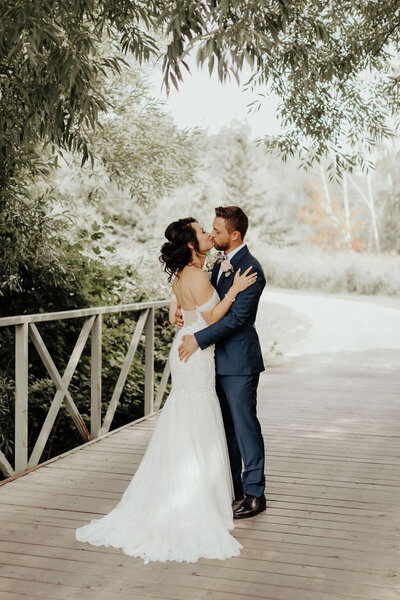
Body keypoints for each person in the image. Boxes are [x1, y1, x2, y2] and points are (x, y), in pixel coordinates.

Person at [75, 217, 257, 564]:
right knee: (198, 418)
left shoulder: (180, 276)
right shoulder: (197, 276)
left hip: (186, 348)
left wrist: (176, 308)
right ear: (191, 244)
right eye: (203, 232)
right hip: (196, 352)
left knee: (186, 418)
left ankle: (185, 490)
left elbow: (182, 305)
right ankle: (195, 498)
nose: (207, 234)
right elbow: (214, 319)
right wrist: (233, 292)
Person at [177, 206, 267, 519]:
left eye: (217, 230)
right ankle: (233, 488)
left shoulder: (250, 268)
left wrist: (198, 339)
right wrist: (183, 315)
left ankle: (255, 493)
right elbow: (206, 306)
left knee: (245, 427)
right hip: (212, 361)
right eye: (210, 230)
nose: (212, 235)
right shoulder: (218, 262)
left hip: (239, 361)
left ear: (235, 235)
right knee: (224, 429)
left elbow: (238, 319)